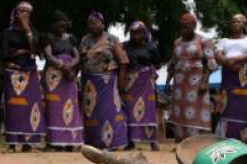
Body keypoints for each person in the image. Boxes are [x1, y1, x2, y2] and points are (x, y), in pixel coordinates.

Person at [80, 12, 129, 149]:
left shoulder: (112, 39)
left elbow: (123, 61)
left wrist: (121, 82)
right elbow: (82, 61)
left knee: (109, 112)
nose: (93, 26)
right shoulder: (85, 40)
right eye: (90, 23)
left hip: (108, 82)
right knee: (92, 113)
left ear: (103, 24)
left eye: (96, 23)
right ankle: (93, 143)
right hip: (90, 83)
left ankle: (114, 143)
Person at [1, 1, 45, 151]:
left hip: (30, 72)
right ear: (16, 13)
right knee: (14, 107)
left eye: (28, 12)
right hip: (13, 72)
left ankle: (28, 142)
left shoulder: (33, 31)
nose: (24, 14)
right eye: (22, 11)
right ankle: (12, 143)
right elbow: (5, 53)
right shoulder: (8, 32)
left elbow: (35, 50)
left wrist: (27, 29)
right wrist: (22, 52)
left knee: (30, 107)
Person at [166, 13, 218, 142]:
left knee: (196, 110)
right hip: (179, 82)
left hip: (197, 81)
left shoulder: (204, 41)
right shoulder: (177, 42)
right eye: (182, 27)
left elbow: (211, 64)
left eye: (187, 26)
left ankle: (196, 141)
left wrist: (205, 82)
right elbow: (172, 63)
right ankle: (181, 141)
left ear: (194, 26)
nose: (184, 29)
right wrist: (168, 83)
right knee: (180, 111)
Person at [42, 10, 84, 150]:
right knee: (54, 108)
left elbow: (77, 56)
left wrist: (69, 67)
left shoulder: (71, 39)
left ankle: (70, 142)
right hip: (54, 79)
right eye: (58, 25)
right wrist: (61, 66)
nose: (62, 28)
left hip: (69, 77)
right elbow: (48, 55)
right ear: (53, 26)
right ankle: (55, 142)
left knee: (71, 106)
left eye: (64, 25)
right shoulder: (48, 38)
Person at [215, 14, 247, 140]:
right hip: (228, 73)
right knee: (228, 102)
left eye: (239, 22)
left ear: (244, 24)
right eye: (234, 22)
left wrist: (234, 60)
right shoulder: (223, 41)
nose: (236, 24)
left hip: (244, 73)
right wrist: (228, 63)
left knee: (243, 102)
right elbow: (218, 55)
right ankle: (226, 135)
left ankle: (246, 133)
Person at [123, 20, 161, 149]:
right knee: (129, 110)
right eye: (133, 33)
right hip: (130, 83)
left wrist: (149, 70)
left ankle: (152, 141)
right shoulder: (125, 46)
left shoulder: (151, 47)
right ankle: (130, 141)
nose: (135, 36)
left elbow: (158, 64)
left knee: (148, 110)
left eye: (138, 33)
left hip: (145, 83)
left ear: (144, 33)